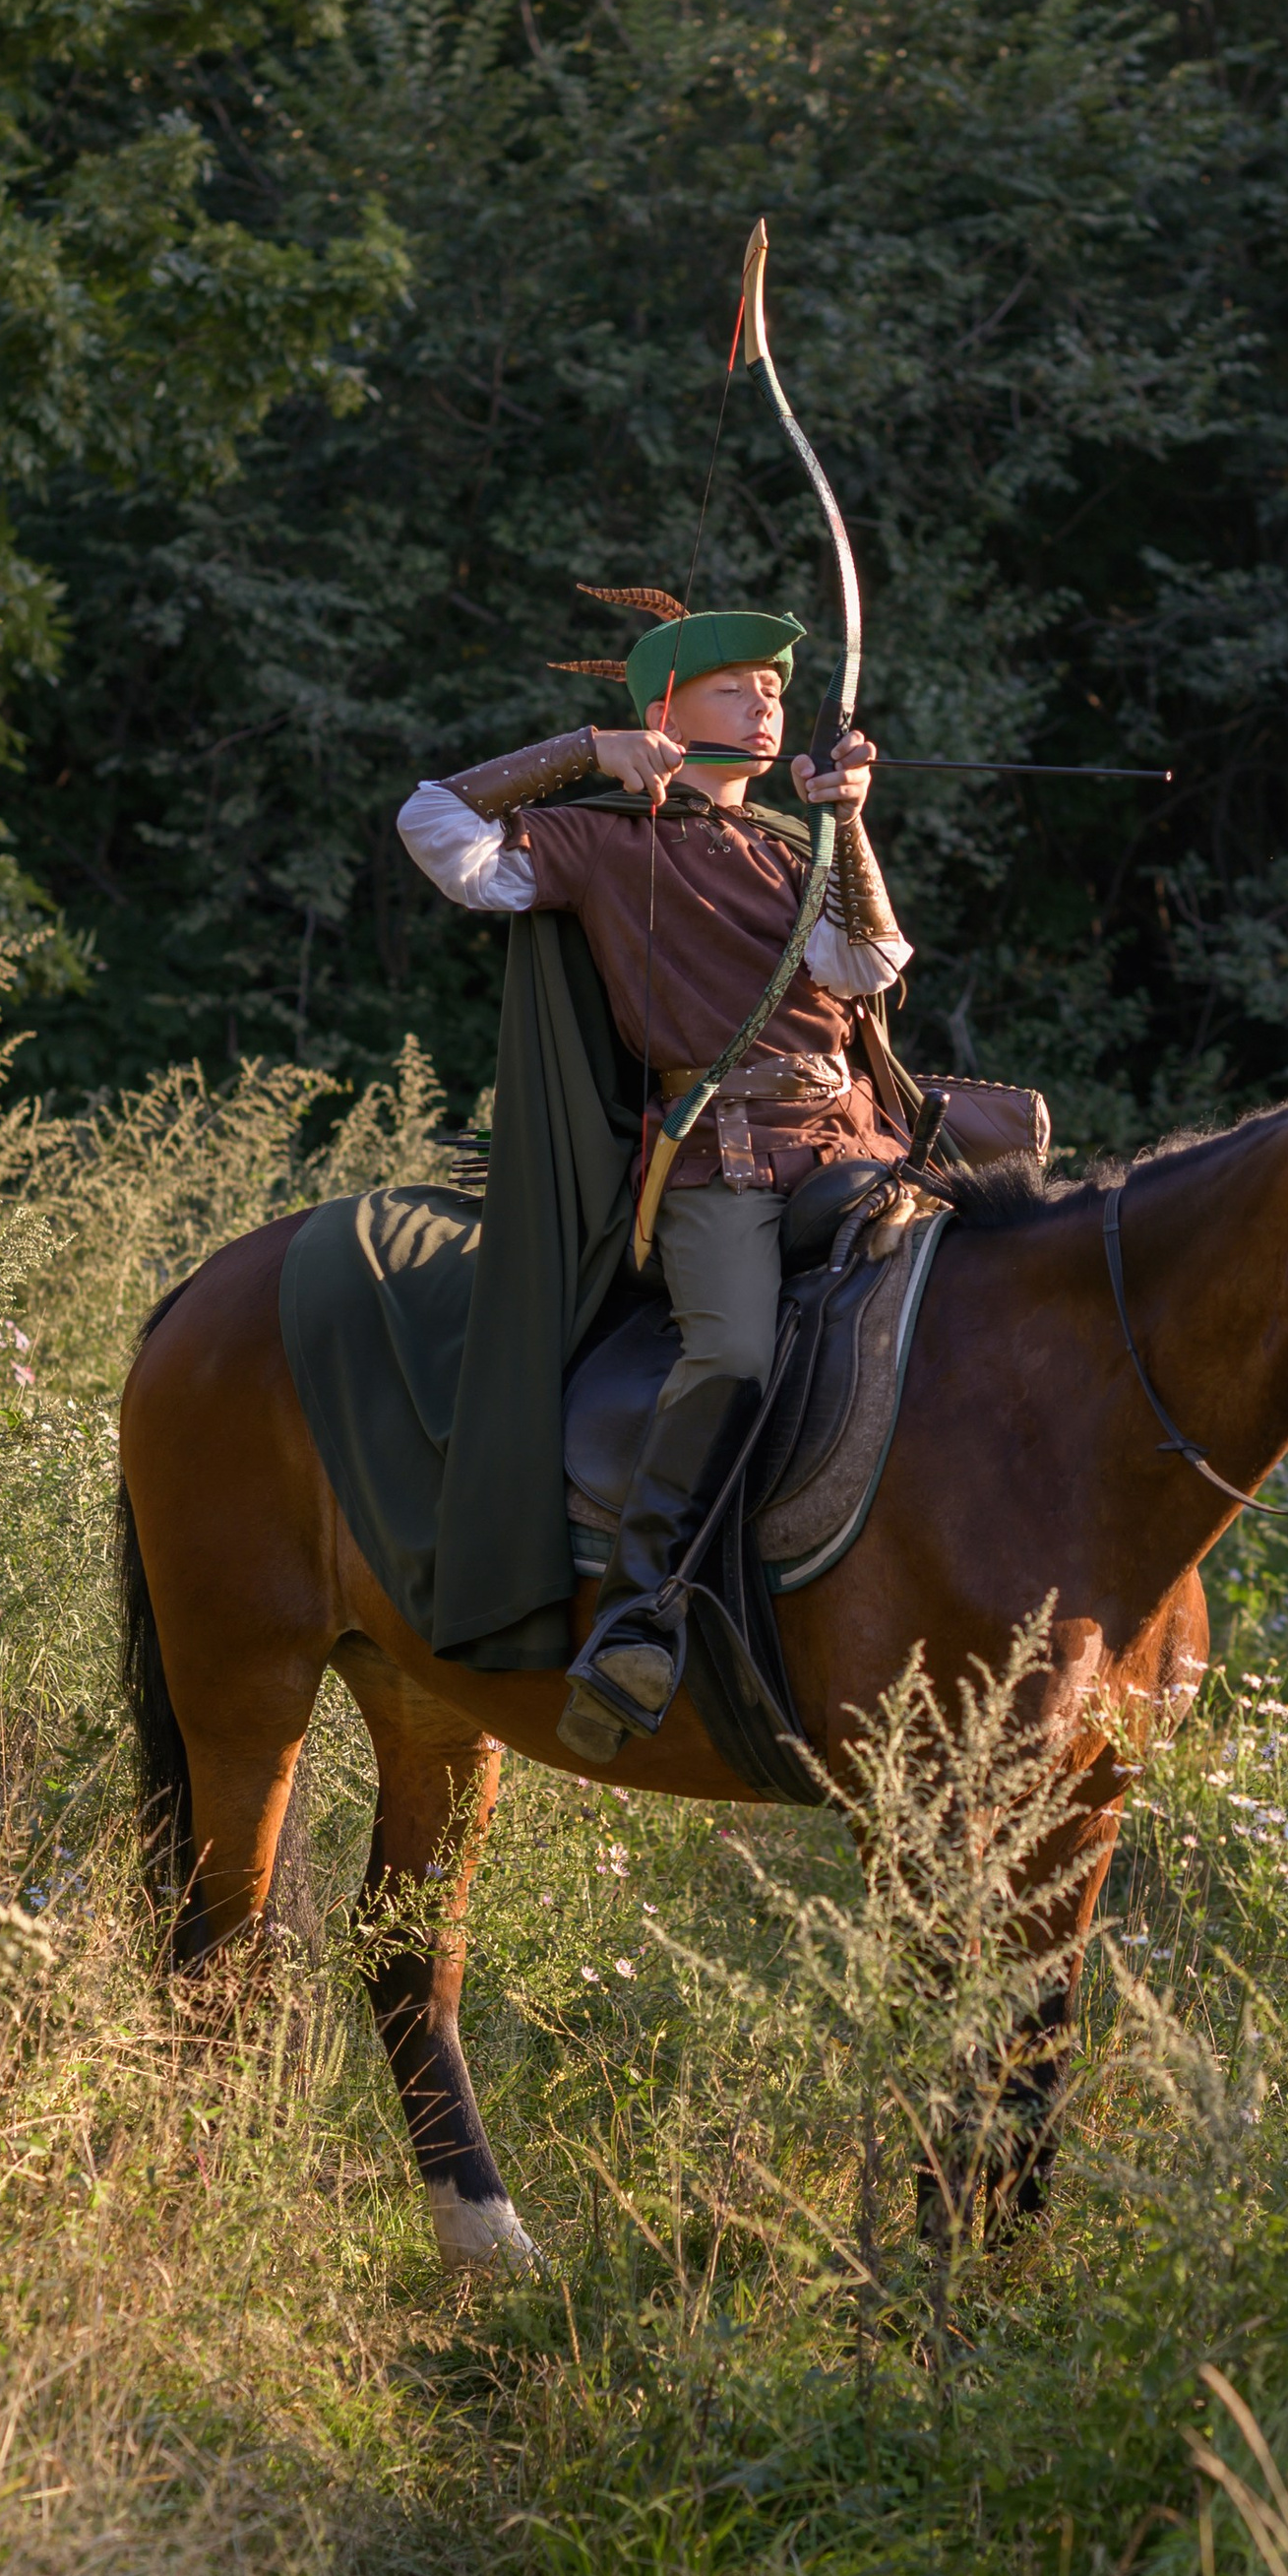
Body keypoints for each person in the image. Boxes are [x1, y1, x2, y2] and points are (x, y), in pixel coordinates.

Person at [398, 592, 914, 1761]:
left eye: (775, 689)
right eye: (738, 686)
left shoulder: (794, 842)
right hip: (720, 1163)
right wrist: (586, 752)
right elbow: (435, 825)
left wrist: (847, 819)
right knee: (729, 1350)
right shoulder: (594, 836)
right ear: (666, 711)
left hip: (854, 1143)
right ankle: (637, 1616)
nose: (768, 703)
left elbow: (864, 960)